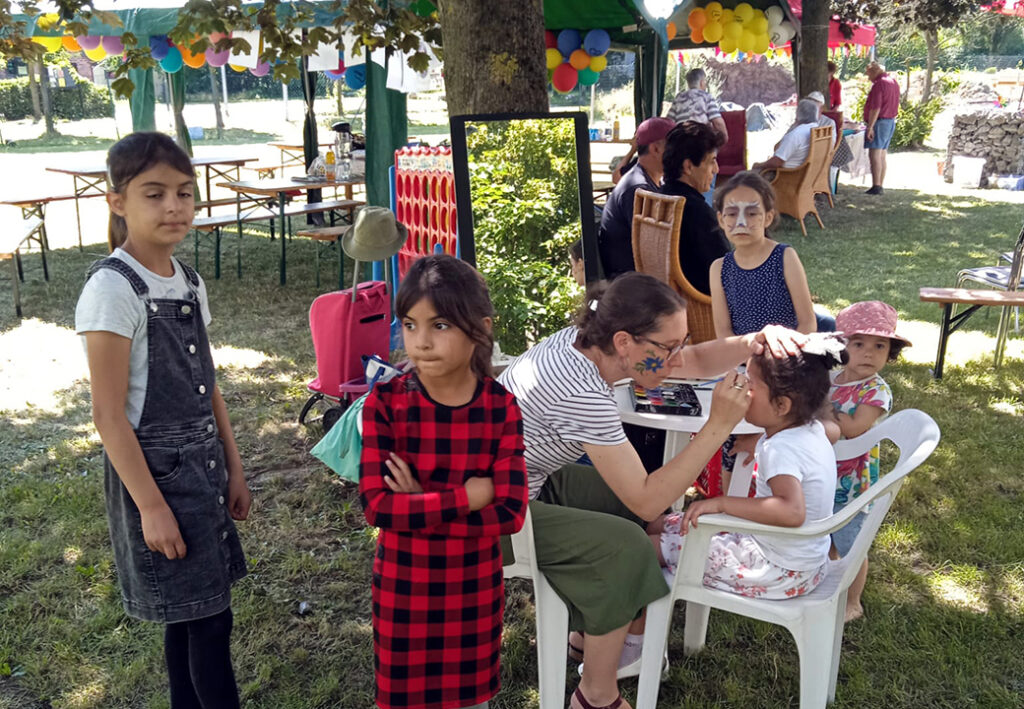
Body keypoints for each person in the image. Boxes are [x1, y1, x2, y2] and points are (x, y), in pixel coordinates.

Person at [497, 272, 806, 709]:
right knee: (627, 543)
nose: (677, 356)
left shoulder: (592, 342)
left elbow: (693, 360)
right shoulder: (581, 391)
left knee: (635, 515)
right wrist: (718, 426)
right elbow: (647, 498)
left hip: (523, 482)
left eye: (680, 342)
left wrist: (752, 341)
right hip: (490, 516)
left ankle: (591, 637)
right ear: (625, 342)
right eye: (668, 347)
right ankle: (595, 696)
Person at [75, 132, 250, 708]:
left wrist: (234, 467)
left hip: (203, 471)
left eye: (184, 192)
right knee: (209, 623)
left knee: (194, 615)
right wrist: (151, 507)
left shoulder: (189, 280)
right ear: (117, 201)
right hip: (156, 479)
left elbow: (210, 385)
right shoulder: (112, 287)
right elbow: (108, 416)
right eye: (154, 194)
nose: (174, 206)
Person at [359, 254, 529, 709]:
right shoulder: (386, 404)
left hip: (472, 595)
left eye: (439, 325)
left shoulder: (500, 409)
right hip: (404, 593)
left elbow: (511, 513)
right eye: (409, 325)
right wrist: (466, 497)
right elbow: (377, 507)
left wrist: (419, 503)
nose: (421, 342)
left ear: (480, 329)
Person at [651, 338, 844, 599]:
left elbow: (792, 511)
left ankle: (637, 620)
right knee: (665, 524)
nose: (741, 388)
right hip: (805, 562)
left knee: (653, 546)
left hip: (776, 569)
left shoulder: (780, 449)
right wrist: (758, 442)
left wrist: (721, 503)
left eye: (749, 384)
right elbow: (825, 437)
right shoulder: (809, 429)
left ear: (782, 405)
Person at [826, 301, 910, 623]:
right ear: (842, 347)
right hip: (824, 472)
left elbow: (853, 428)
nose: (868, 354)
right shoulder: (831, 380)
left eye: (879, 346)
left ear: (890, 352)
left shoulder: (876, 391)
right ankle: (828, 580)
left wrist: (818, 407)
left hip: (853, 483)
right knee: (826, 537)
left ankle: (853, 602)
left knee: (851, 544)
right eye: (858, 344)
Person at [709, 171, 817, 339]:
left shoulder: (785, 257)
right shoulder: (719, 268)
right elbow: (723, 332)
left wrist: (786, 353)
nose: (741, 222)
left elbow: (807, 322)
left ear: (768, 217)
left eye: (752, 213)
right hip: (740, 354)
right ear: (721, 219)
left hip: (786, 351)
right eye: (731, 214)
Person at [660, 121, 731, 296]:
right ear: (688, 167)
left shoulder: (660, 199)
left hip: (667, 299)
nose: (716, 169)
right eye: (712, 161)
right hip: (703, 305)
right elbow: (728, 275)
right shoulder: (696, 213)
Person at [598, 117, 674, 279]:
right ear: (655, 149)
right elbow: (652, 250)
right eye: (675, 147)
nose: (680, 154)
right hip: (630, 283)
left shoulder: (649, 180)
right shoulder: (638, 189)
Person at [752, 99, 820, 172]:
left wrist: (758, 165)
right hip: (806, 172)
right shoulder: (817, 128)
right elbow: (777, 147)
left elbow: (776, 162)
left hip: (786, 174)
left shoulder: (796, 134)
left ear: (798, 114)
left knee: (748, 175)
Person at [863, 61, 900, 195]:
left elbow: (876, 108)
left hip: (880, 121)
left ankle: (876, 185)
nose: (869, 78)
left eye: (869, 74)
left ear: (874, 72)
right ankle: (879, 184)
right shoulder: (893, 82)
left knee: (875, 154)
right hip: (890, 121)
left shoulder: (879, 84)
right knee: (882, 154)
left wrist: (870, 127)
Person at [666, 67, 728, 142]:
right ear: (702, 82)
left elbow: (668, 122)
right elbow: (718, 122)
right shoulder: (707, 97)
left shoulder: (679, 97)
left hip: (680, 141)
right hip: (700, 140)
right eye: (705, 82)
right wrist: (725, 138)